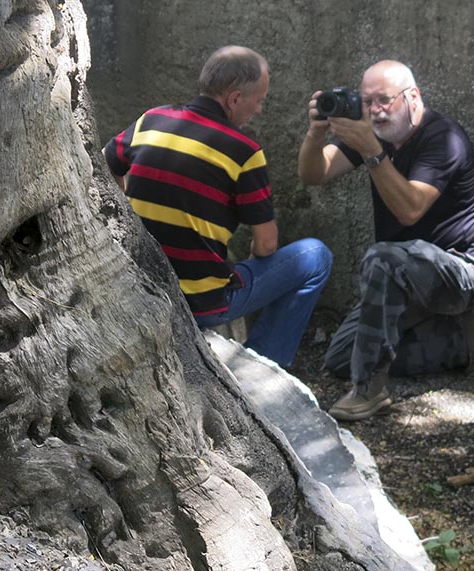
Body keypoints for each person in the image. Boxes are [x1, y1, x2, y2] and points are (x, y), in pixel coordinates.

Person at [103, 45, 332, 368]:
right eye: (260, 100)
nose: (260, 110)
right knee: (316, 256)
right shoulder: (244, 153)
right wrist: (256, 255)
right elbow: (266, 245)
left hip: (139, 284)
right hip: (201, 303)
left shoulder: (150, 120)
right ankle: (263, 367)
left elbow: (105, 164)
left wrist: (128, 213)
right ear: (235, 99)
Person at [298, 59, 474, 420]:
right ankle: (457, 345)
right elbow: (314, 173)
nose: (375, 110)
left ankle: (369, 389)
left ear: (412, 97)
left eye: (384, 100)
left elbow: (409, 210)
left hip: (459, 271)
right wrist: (315, 134)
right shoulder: (374, 134)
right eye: (367, 101)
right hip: (402, 278)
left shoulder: (442, 137)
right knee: (342, 358)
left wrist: (371, 150)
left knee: (383, 259)